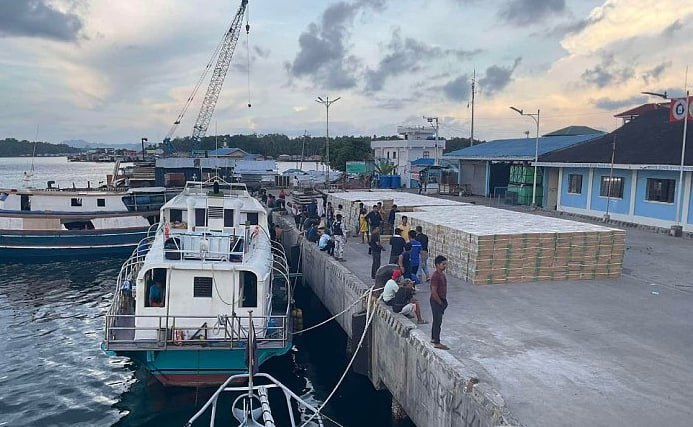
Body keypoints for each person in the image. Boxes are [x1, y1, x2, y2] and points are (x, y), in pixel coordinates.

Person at [430, 255, 449, 350]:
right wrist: (440, 303)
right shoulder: (435, 276)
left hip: (441, 299)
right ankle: (437, 342)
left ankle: (434, 338)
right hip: (437, 300)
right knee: (438, 321)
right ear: (437, 265)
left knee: (437, 320)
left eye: (445, 264)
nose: (445, 266)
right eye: (443, 264)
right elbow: (433, 291)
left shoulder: (441, 274)